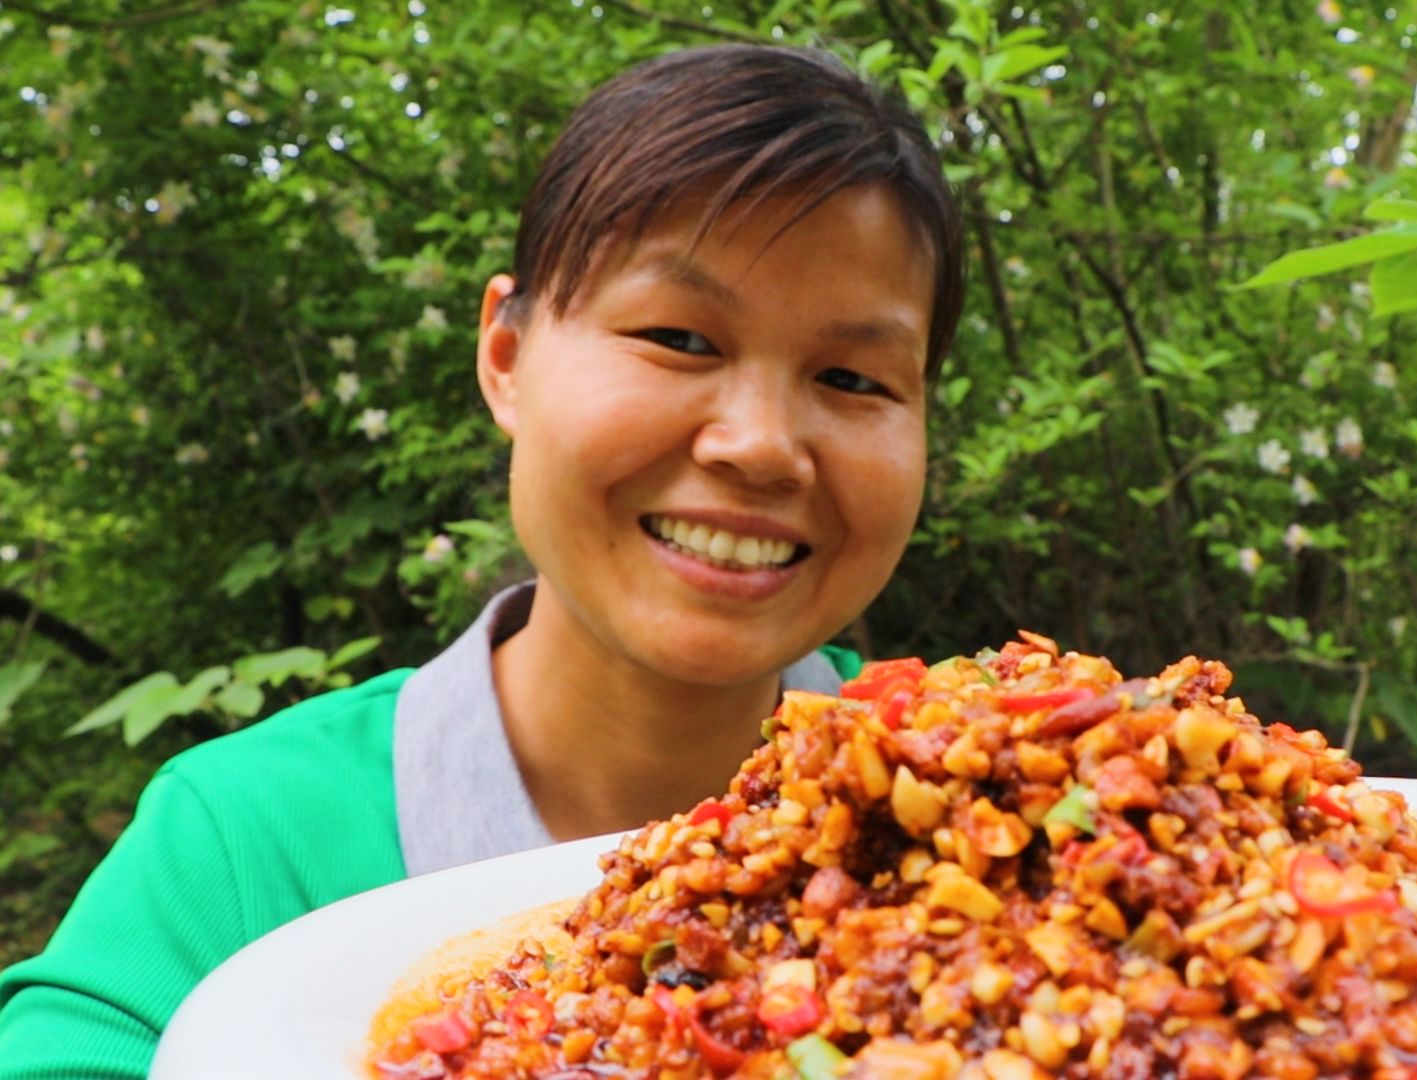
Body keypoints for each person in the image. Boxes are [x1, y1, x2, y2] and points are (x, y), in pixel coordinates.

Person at [0, 43, 963, 1078]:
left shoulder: (994, 796)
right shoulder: (241, 846)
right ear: (505, 358)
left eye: (854, 379)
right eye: (679, 337)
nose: (760, 444)